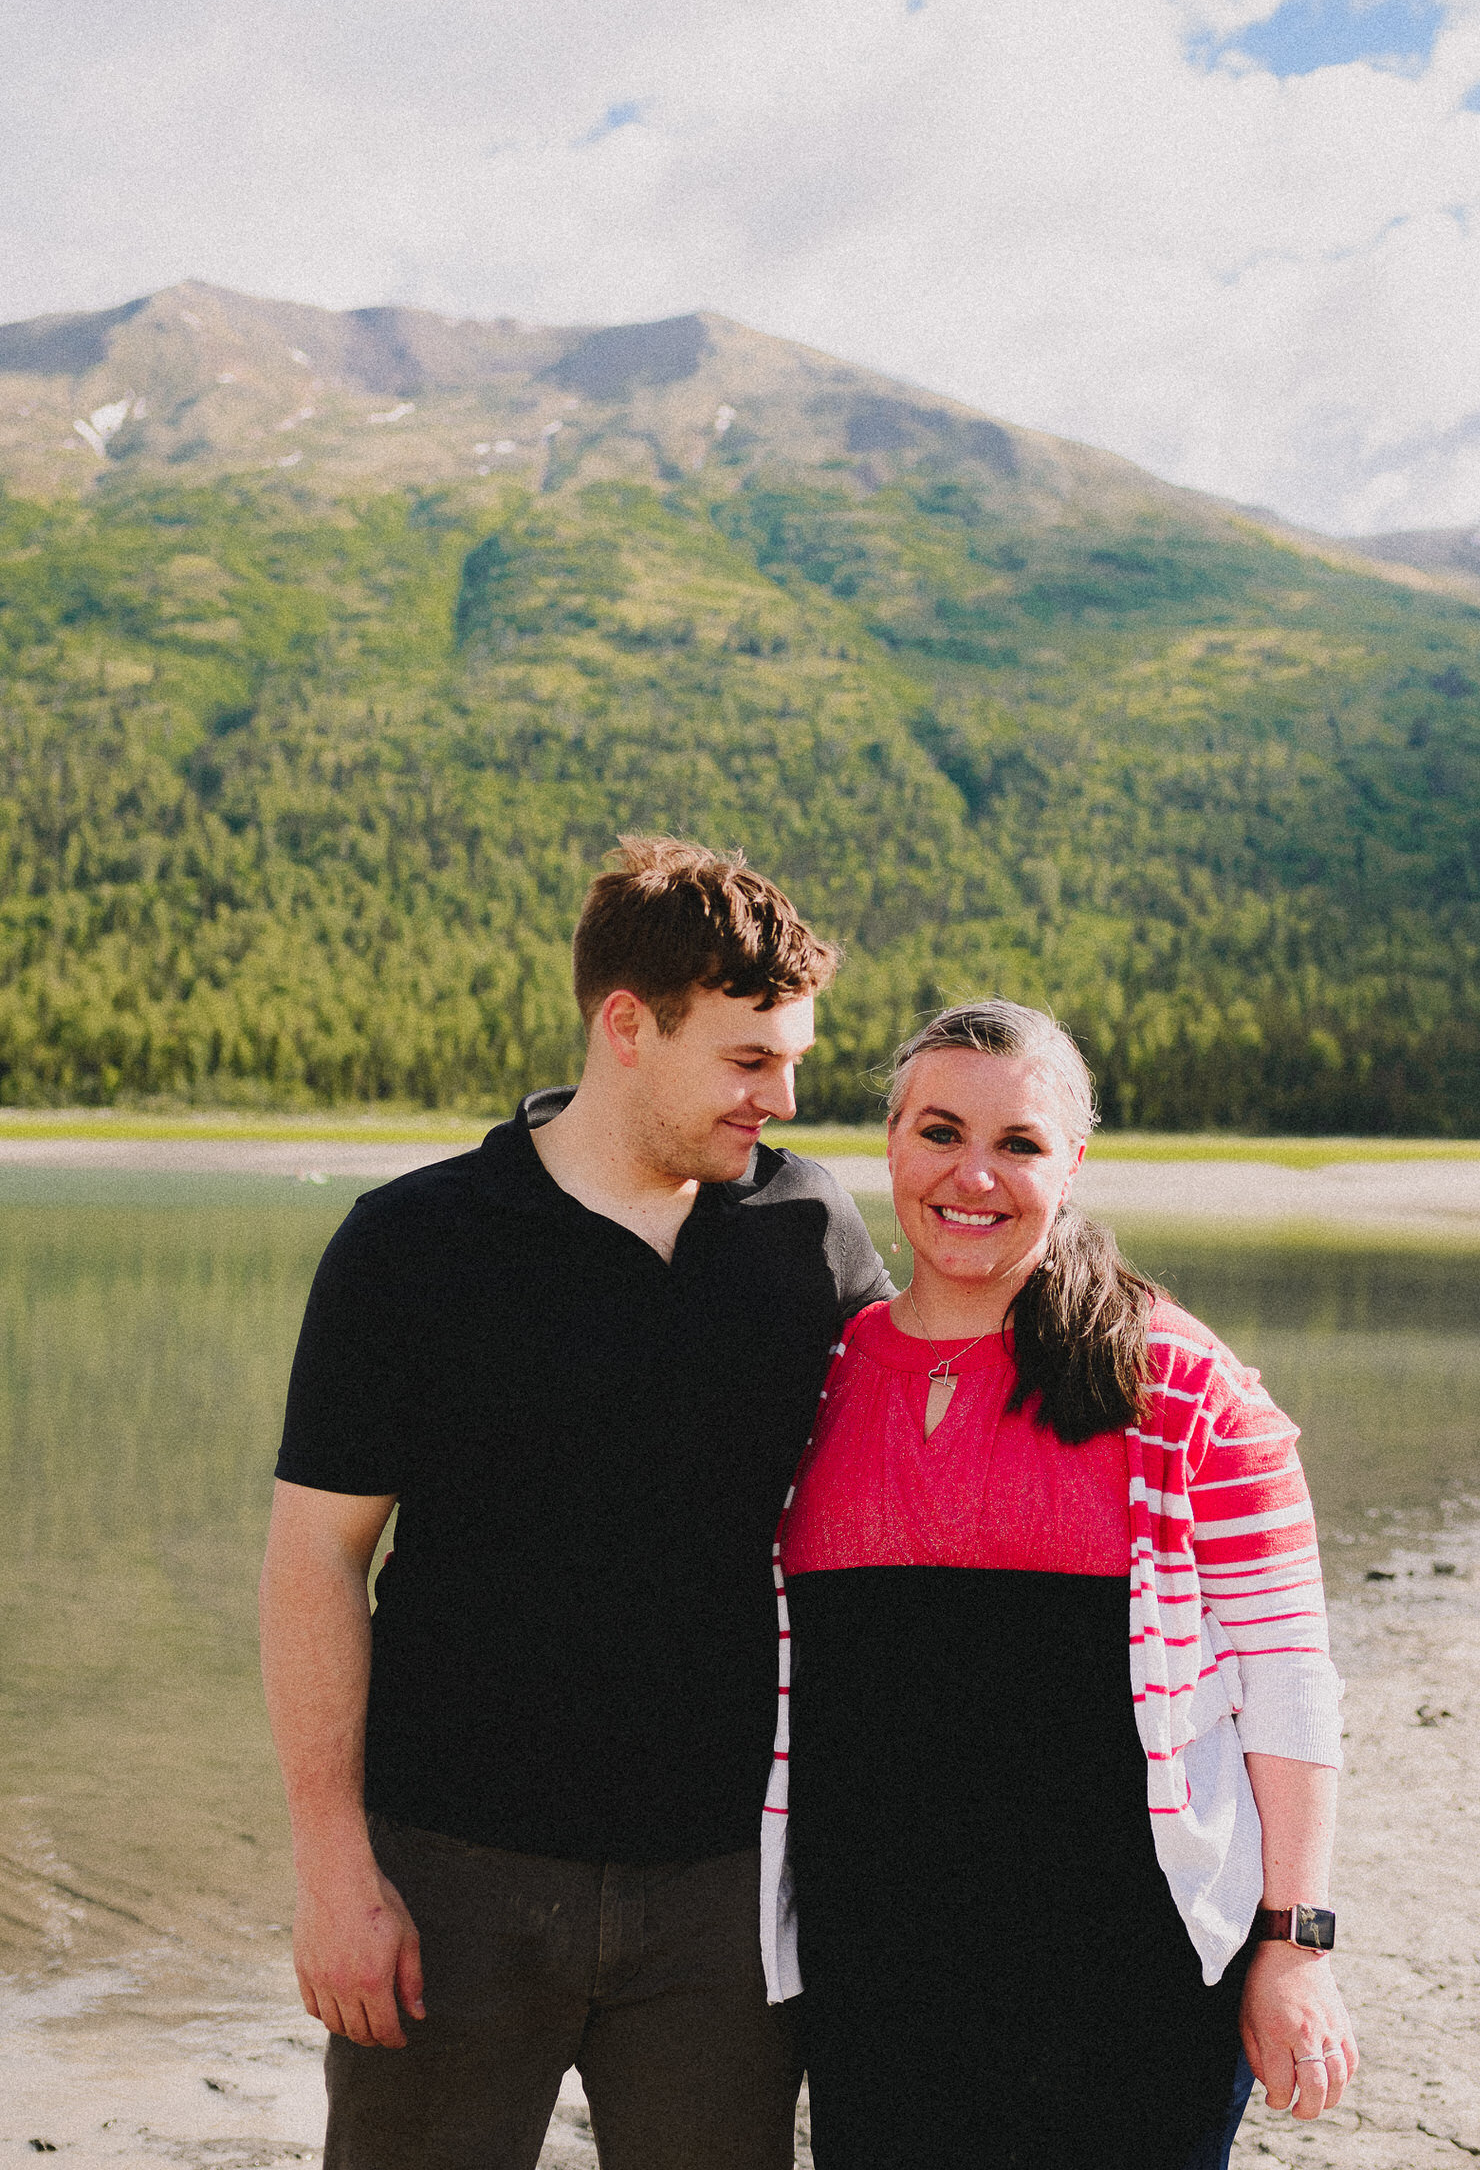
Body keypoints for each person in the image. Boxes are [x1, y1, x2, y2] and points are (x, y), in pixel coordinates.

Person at [259, 837, 894, 2170]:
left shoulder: (808, 1230)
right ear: (625, 1027)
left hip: (724, 1899)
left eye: (792, 1060)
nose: (781, 1096)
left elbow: (926, 1455)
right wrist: (332, 1868)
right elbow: (315, 1558)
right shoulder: (413, 1244)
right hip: (449, 1881)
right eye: (747, 1060)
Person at [760, 999, 1358, 2170]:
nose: (972, 1174)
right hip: (881, 1982)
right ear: (889, 1141)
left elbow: (1289, 1674)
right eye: (939, 1132)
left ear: (1072, 1165)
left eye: (1019, 1144)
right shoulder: (817, 1380)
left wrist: (1297, 1946)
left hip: (1132, 1988)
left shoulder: (1176, 1382)